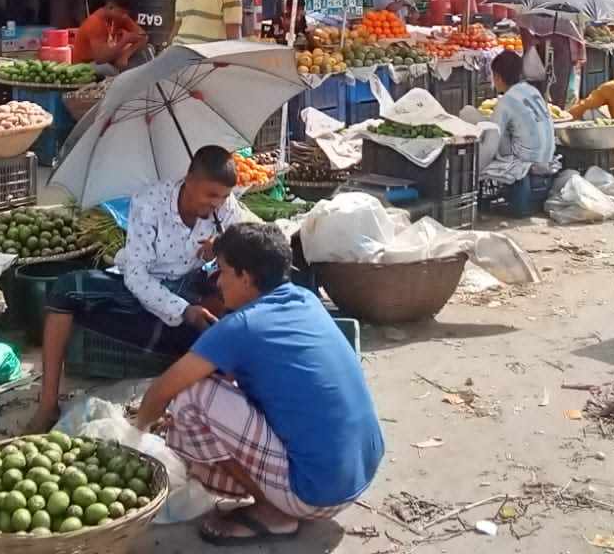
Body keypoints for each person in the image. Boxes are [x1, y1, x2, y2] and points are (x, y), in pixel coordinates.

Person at [135, 225, 383, 542]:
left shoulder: (240, 327)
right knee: (216, 394)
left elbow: (162, 390)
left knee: (191, 397)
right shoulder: (305, 299)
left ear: (246, 277)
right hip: (358, 473)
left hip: (315, 495)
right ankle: (276, 498)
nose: (217, 281)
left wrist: (135, 436)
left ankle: (272, 512)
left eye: (222, 271)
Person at [30, 146, 243, 430]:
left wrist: (220, 250)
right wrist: (184, 311)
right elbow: (136, 275)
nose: (218, 203)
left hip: (189, 284)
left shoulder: (226, 210)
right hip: (142, 284)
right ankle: (47, 405)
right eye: (211, 195)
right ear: (189, 180)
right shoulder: (150, 202)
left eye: (224, 196)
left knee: (231, 306)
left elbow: (243, 251)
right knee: (65, 289)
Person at [480, 49, 558, 216]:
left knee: (490, 133)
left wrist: (476, 171)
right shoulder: (533, 91)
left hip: (527, 165)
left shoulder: (506, 101)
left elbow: (492, 140)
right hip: (547, 161)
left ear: (498, 77)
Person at [73, 0, 148, 71]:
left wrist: (126, 54)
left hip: (111, 59)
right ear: (111, 7)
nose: (124, 16)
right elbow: (101, 59)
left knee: (146, 52)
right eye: (121, 12)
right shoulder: (95, 23)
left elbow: (144, 37)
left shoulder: (121, 18)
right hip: (88, 64)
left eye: (125, 13)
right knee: (109, 69)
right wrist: (124, 41)